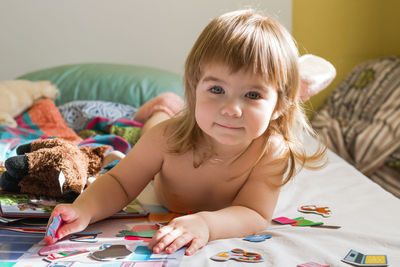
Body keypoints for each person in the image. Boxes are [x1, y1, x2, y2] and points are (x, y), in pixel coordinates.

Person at [49, 9, 329, 256]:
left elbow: (254, 213)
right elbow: (121, 183)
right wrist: (84, 210)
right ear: (195, 88)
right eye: (216, 89)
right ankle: (161, 105)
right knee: (152, 127)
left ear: (279, 105)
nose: (231, 109)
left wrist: (206, 224)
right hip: (171, 129)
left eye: (252, 94)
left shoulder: (271, 150)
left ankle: (297, 83)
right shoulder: (165, 138)